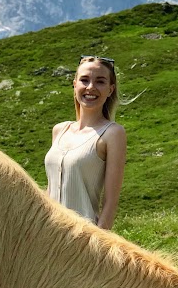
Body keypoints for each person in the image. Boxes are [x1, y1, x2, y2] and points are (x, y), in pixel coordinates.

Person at [45, 56, 127, 229]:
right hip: (46, 237)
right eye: (84, 80)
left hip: (83, 240)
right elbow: (51, 188)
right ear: (75, 84)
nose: (90, 87)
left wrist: (98, 246)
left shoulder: (113, 133)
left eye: (100, 81)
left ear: (110, 89)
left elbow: (110, 202)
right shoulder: (59, 130)